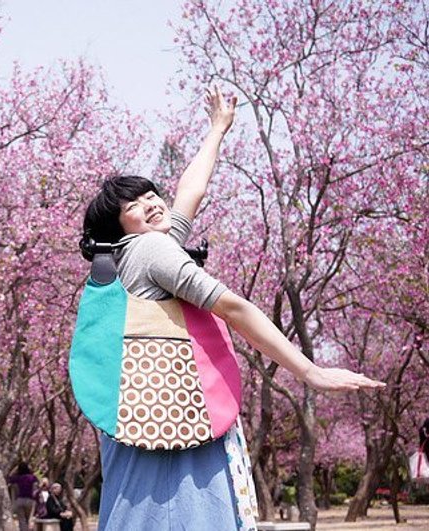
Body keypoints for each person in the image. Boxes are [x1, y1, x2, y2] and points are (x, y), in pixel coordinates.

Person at [81, 86, 386, 530]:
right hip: (177, 425)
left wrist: (217, 129)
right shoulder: (151, 249)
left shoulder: (138, 252)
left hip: (146, 415)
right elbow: (233, 307)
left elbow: (190, 193)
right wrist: (310, 372)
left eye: (150, 195)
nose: (150, 204)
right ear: (119, 226)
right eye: (134, 205)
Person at [8, 462, 38, 531]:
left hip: (20, 500)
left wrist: (15, 469)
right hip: (30, 500)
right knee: (29, 520)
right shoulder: (33, 477)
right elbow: (35, 489)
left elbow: (9, 477)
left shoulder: (17, 478)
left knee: (22, 521)